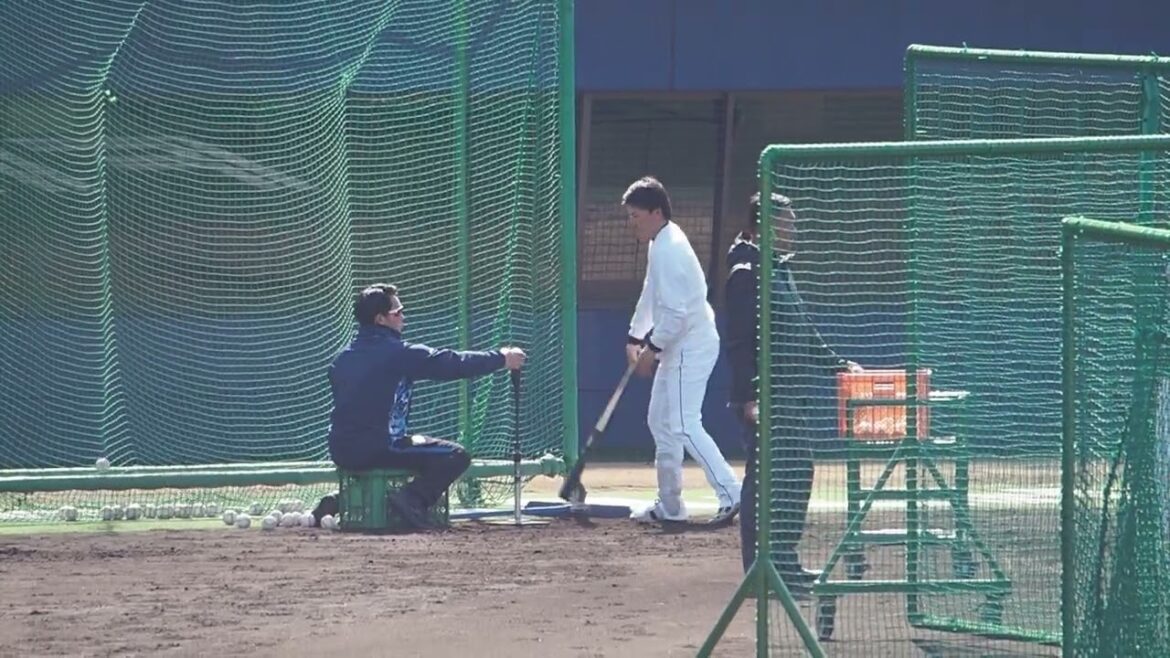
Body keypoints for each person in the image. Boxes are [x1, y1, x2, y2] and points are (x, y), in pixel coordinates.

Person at [724, 192, 862, 590]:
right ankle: (760, 572)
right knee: (767, 478)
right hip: (767, 398)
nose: (793, 229)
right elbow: (738, 339)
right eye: (787, 222)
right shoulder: (747, 270)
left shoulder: (778, 269)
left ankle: (783, 563)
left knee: (795, 475)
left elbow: (802, 329)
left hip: (790, 394)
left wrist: (839, 364)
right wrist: (750, 396)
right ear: (763, 224)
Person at [311, 284, 526, 529]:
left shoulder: (342, 358)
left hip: (341, 450)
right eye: (397, 313)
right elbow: (453, 363)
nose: (404, 317)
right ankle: (411, 500)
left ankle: (343, 501)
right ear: (380, 319)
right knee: (456, 455)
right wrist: (502, 358)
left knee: (413, 451)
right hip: (379, 447)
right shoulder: (399, 352)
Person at [622, 176, 742, 526]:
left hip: (691, 344)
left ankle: (732, 493)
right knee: (660, 421)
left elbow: (676, 314)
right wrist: (634, 336)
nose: (632, 223)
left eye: (635, 216)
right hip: (677, 343)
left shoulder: (671, 247)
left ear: (655, 212)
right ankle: (671, 507)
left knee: (684, 424)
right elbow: (651, 293)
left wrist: (652, 348)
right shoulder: (658, 243)